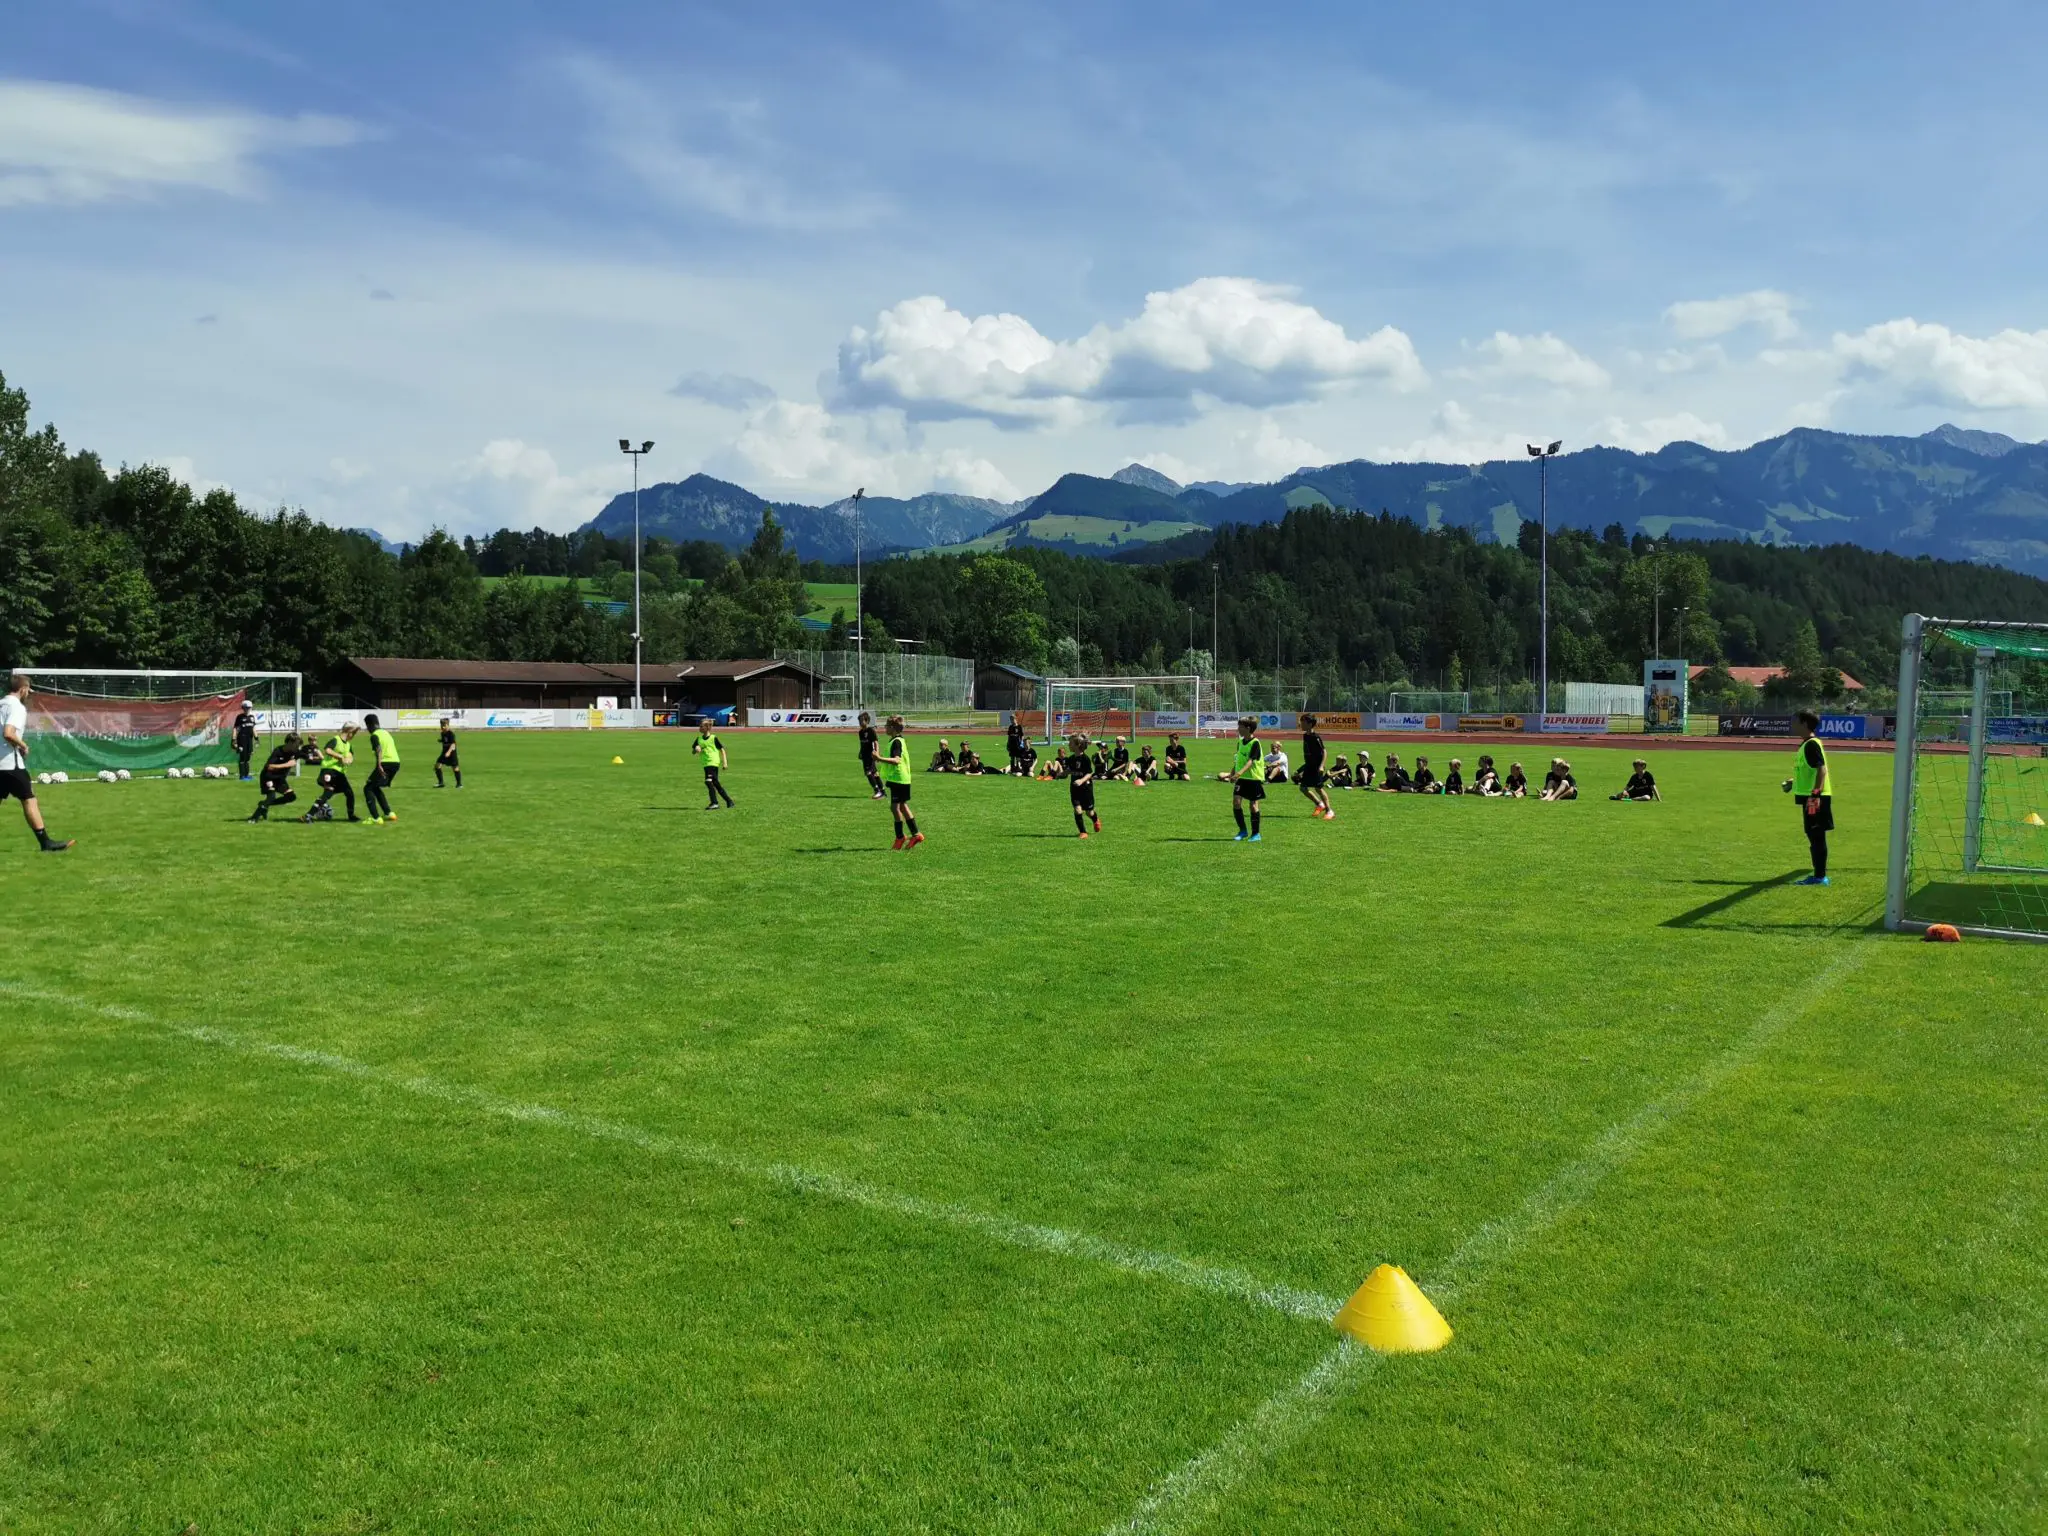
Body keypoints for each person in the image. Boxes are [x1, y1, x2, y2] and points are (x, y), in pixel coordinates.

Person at [1, 673, 72, 852]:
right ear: (23, 689)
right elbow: (8, 733)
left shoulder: (1, 704)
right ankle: (46, 843)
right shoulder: (17, 707)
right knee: (29, 800)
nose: (28, 694)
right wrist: (23, 745)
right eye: (28, 691)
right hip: (10, 764)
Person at [1784, 710, 1833, 884]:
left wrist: (1815, 795)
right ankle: (1818, 875)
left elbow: (1822, 770)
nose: (1792, 724)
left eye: (1795, 721)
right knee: (1813, 834)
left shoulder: (1811, 744)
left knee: (1816, 835)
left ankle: (1819, 877)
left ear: (1804, 723)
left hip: (1814, 798)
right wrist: (1793, 782)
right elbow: (1810, 771)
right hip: (1811, 797)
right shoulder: (1807, 744)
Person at [875, 714, 922, 848]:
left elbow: (897, 760)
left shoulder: (896, 742)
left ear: (893, 727)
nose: (885, 728)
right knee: (902, 806)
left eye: (886, 726)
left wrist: (879, 758)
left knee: (895, 807)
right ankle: (916, 834)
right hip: (901, 778)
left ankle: (900, 837)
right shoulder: (897, 740)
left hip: (899, 778)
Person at [307, 721, 360, 822]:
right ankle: (308, 815)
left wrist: (349, 760)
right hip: (329, 770)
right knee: (329, 792)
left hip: (339, 773)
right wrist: (340, 757)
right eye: (354, 733)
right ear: (349, 731)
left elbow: (350, 755)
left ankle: (351, 815)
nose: (354, 736)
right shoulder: (336, 740)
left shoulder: (348, 745)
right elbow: (327, 750)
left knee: (349, 793)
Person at [248, 733, 304, 822]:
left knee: (291, 797)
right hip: (268, 776)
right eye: (296, 744)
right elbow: (269, 766)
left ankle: (264, 804)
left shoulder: (296, 752)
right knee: (271, 797)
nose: (298, 747)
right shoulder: (278, 751)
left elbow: (307, 755)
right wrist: (287, 764)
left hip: (279, 779)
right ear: (289, 742)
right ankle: (253, 818)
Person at [1228, 716, 1267, 841]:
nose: (1238, 729)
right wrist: (1232, 772)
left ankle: (1256, 834)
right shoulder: (1240, 742)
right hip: (1242, 778)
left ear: (1248, 728)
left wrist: (1238, 773)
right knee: (1236, 802)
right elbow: (1239, 760)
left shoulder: (1255, 743)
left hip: (1253, 778)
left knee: (1253, 806)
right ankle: (1243, 831)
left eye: (1240, 727)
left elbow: (1251, 761)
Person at [364, 713, 404, 822]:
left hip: (385, 763)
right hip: (396, 763)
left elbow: (378, 749)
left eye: (367, 726)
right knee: (375, 786)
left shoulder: (374, 735)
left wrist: (379, 765)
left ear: (370, 725)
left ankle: (375, 818)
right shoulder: (386, 733)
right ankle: (389, 813)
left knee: (368, 788)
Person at [1297, 713, 1333, 819]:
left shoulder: (1315, 737)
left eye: (1303, 722)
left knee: (1318, 789)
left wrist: (1321, 766)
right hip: (1309, 766)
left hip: (1316, 767)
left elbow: (1324, 751)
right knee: (1303, 788)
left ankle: (1329, 811)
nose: (1301, 724)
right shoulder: (1305, 735)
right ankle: (1319, 804)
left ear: (1309, 724)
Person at [692, 716, 733, 809]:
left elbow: (722, 749)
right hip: (706, 764)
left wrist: (725, 762)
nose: (699, 728)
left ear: (707, 727)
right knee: (716, 784)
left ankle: (714, 803)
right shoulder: (699, 739)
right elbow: (693, 752)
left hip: (713, 762)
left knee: (708, 781)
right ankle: (729, 801)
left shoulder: (713, 738)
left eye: (701, 726)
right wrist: (696, 749)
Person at [1067, 732, 1101, 838]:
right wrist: (1060, 774)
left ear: (1077, 745)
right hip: (1074, 789)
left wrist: (1081, 780)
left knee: (1089, 813)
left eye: (1070, 743)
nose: (1069, 745)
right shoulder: (1071, 759)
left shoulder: (1085, 759)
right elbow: (1069, 770)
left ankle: (1096, 820)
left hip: (1086, 789)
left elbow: (1089, 773)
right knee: (1078, 810)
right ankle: (1083, 832)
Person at [857, 711, 884, 798]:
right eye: (859, 721)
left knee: (868, 773)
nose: (860, 722)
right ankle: (882, 791)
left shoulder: (871, 731)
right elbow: (862, 743)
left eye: (862, 720)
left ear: (867, 721)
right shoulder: (860, 732)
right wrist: (860, 752)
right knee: (875, 773)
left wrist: (877, 753)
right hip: (864, 755)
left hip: (870, 755)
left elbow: (876, 742)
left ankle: (877, 791)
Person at [232, 702, 258, 781]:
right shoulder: (240, 717)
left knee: (248, 758)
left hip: (249, 740)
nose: (247, 709)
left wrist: (256, 738)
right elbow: (235, 728)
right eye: (246, 708)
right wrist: (234, 740)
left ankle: (247, 775)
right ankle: (242, 776)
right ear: (243, 708)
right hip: (242, 739)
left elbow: (253, 728)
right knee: (242, 757)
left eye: (249, 708)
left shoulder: (252, 717)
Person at [434, 717, 462, 788]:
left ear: (448, 725)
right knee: (437, 766)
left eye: (444, 725)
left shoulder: (451, 733)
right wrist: (441, 740)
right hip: (444, 753)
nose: (443, 727)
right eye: (441, 725)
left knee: (455, 768)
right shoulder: (442, 733)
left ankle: (459, 784)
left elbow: (453, 744)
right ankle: (441, 783)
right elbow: (446, 740)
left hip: (451, 753)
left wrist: (449, 752)